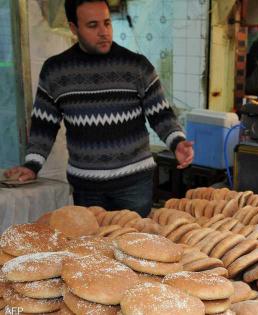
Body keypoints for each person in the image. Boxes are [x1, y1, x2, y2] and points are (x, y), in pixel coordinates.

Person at [3, 0, 193, 218]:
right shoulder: (55, 71)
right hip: (86, 187)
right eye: (93, 25)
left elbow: (161, 115)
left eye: (107, 23)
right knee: (90, 247)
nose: (104, 32)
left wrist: (177, 142)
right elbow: (43, 126)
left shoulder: (136, 66)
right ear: (74, 28)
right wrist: (32, 165)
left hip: (133, 184)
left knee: (134, 245)